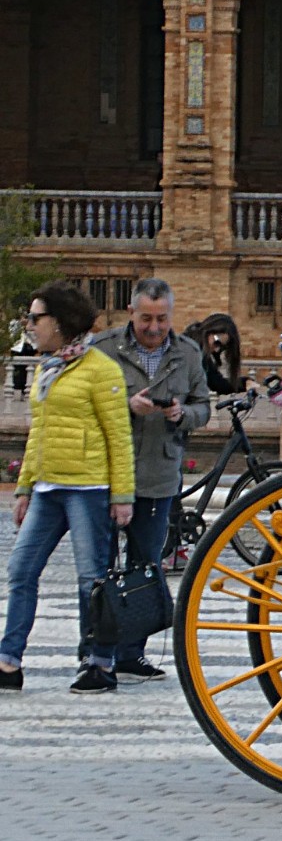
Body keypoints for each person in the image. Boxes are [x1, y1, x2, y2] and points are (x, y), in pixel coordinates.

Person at [2, 282, 135, 695]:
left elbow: (118, 435)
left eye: (36, 318)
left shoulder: (100, 369)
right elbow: (37, 432)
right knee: (21, 571)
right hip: (47, 488)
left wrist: (122, 496)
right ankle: (9, 660)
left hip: (88, 488)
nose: (30, 325)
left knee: (90, 579)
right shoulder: (47, 367)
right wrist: (24, 487)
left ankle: (97, 662)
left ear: (59, 323)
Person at [89, 278, 211, 679]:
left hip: (159, 474)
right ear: (131, 312)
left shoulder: (188, 354)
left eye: (161, 319)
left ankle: (131, 651)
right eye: (146, 319)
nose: (154, 328)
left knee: (146, 567)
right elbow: (86, 407)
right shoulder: (104, 349)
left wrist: (181, 414)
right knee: (100, 569)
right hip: (108, 475)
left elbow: (203, 407)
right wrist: (126, 406)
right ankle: (94, 650)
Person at [184, 312, 243, 395]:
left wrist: (244, 382)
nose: (217, 350)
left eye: (223, 348)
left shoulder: (198, 351)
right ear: (208, 332)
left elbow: (216, 382)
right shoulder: (192, 351)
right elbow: (215, 382)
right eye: (217, 343)